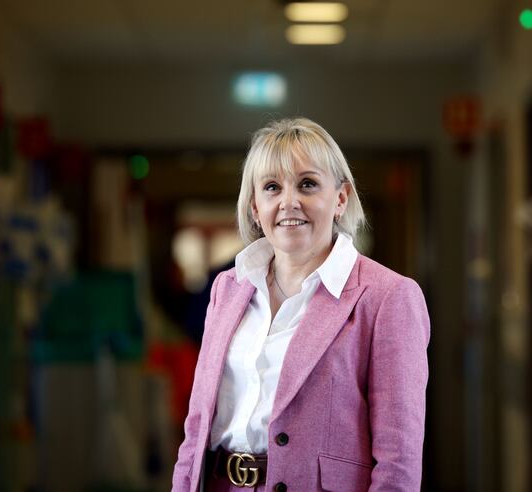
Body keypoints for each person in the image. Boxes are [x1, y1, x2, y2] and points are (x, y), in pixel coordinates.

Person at [171, 118, 430, 491]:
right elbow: (195, 429)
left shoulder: (388, 297)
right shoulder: (227, 289)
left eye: (307, 184)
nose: (289, 202)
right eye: (272, 187)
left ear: (341, 198)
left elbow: (398, 462)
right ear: (256, 207)